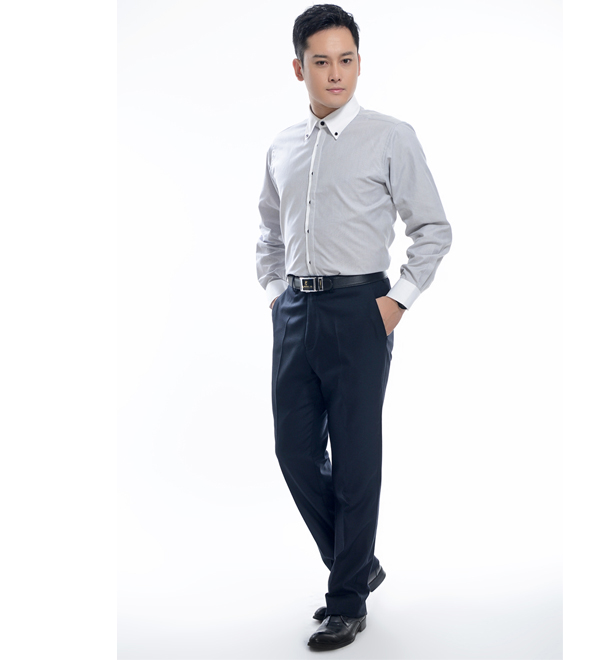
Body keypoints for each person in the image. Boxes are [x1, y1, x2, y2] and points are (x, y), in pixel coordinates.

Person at [256, 3, 452, 651]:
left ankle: (346, 601)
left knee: (356, 460)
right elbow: (268, 231)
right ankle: (358, 564)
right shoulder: (282, 146)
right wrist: (276, 296)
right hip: (295, 312)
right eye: (321, 62)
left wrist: (396, 303)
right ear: (299, 68)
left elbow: (433, 229)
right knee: (293, 451)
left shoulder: (391, 137)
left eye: (346, 60)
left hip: (361, 310)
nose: (335, 73)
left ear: (359, 63)